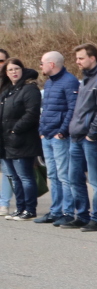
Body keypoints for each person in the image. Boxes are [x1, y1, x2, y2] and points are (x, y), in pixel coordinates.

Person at [66, 43, 97, 232]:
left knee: (96, 180)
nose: (77, 62)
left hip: (93, 139)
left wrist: (92, 135)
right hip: (77, 138)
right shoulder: (85, 80)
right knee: (75, 178)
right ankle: (82, 215)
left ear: (92, 58)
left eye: (81, 58)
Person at [36, 51, 78, 226]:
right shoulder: (49, 82)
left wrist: (62, 131)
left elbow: (72, 109)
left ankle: (68, 212)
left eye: (42, 63)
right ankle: (55, 211)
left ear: (51, 64)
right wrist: (42, 130)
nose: (40, 66)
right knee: (52, 174)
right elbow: (45, 109)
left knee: (63, 175)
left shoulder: (69, 81)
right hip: (47, 135)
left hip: (59, 137)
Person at [0, 59, 42, 220]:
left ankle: (30, 209)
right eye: (10, 70)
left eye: (16, 68)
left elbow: (32, 113)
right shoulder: (7, 91)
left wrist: (15, 129)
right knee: (14, 178)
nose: (13, 72)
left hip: (22, 140)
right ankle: (20, 208)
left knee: (25, 177)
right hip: (7, 142)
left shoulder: (29, 89)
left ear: (22, 70)